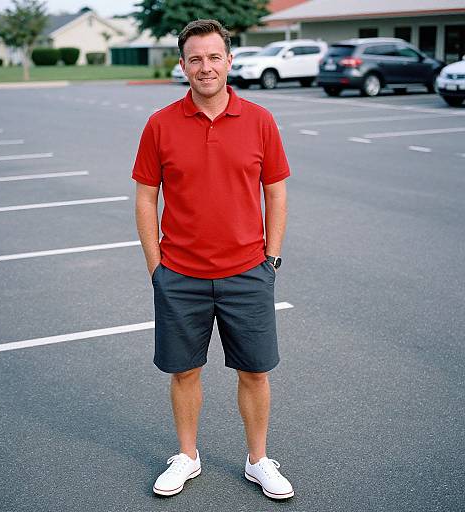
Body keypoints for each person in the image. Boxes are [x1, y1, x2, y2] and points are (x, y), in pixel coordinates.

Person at [132, 19, 293, 500]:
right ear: (182, 65)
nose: (205, 67)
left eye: (213, 57)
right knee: (184, 371)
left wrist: (272, 260)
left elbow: (276, 192)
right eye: (195, 59)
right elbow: (146, 198)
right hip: (180, 275)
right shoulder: (160, 123)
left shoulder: (260, 120)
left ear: (230, 60)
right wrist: (156, 269)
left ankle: (258, 460)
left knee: (255, 372)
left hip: (248, 272)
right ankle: (187, 456)